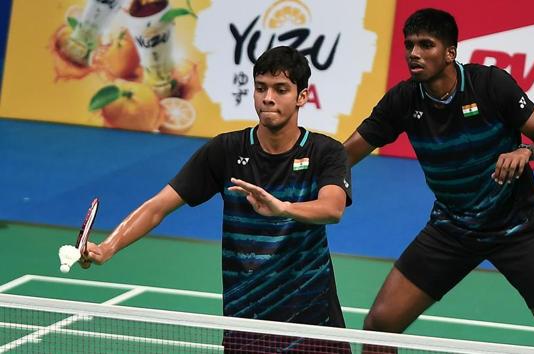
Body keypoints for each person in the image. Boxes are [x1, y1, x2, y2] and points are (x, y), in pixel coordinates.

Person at [343, 8, 534, 352]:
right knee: (379, 325)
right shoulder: (403, 99)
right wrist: (303, 179)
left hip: (519, 229)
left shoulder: (490, 85)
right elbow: (348, 152)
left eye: (426, 45)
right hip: (452, 229)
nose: (413, 53)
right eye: (409, 45)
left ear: (450, 53)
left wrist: (526, 151)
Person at [81, 46, 352, 352]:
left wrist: (283, 208)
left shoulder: (325, 151)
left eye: (281, 89)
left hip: (313, 323)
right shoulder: (226, 150)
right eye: (261, 88)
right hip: (246, 322)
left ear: (302, 96)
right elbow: (159, 206)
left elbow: (333, 207)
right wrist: (107, 247)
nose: (268, 98)